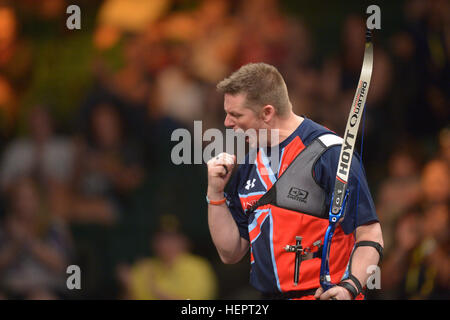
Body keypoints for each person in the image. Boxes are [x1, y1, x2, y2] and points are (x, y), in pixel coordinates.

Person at [206, 62, 383, 300]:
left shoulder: (330, 153)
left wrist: (350, 287)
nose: (227, 123)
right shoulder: (248, 164)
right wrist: (215, 193)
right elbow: (231, 253)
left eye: (236, 114)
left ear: (267, 112)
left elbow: (370, 233)